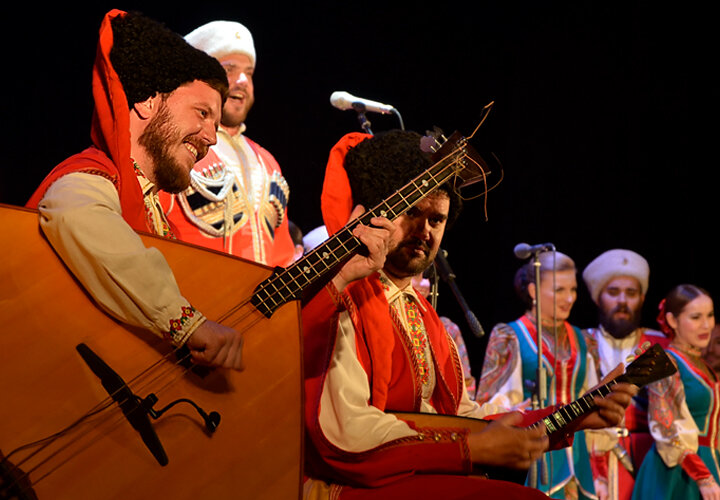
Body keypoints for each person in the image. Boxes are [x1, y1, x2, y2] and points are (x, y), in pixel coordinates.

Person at [301, 129, 637, 499]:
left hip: (405, 477)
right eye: (411, 212)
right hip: (347, 485)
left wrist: (574, 416)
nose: (423, 231)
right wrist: (467, 449)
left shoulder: (426, 318)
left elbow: (464, 423)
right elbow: (345, 435)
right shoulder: (341, 299)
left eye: (436, 220)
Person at [25, 10, 248, 369]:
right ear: (148, 101)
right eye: (202, 113)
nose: (211, 137)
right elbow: (74, 214)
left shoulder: (155, 215)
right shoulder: (91, 175)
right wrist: (186, 324)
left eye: (216, 124)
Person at [159, 20, 294, 267]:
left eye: (249, 73)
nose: (242, 80)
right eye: (229, 69)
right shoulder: (177, 146)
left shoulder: (268, 163)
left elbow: (284, 259)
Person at [476, 250, 599, 499]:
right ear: (533, 291)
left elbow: (593, 396)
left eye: (573, 290)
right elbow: (489, 404)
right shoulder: (510, 336)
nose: (569, 298)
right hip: (534, 449)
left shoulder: (584, 339)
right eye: (559, 290)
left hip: (578, 454)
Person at [580, 249, 671, 500]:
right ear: (598, 298)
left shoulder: (660, 345)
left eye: (631, 293)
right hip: (591, 462)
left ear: (642, 298)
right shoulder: (579, 343)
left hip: (650, 462)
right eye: (613, 292)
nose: (623, 301)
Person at [631, 284, 720, 500]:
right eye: (696, 317)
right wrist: (703, 477)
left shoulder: (702, 364)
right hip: (680, 471)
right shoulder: (664, 362)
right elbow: (667, 426)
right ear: (672, 320)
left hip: (709, 461)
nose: (706, 325)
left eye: (710, 315)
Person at [411, 273, 477, 398]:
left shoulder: (447, 328)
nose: (424, 283)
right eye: (415, 276)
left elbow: (465, 382)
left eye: (426, 277)